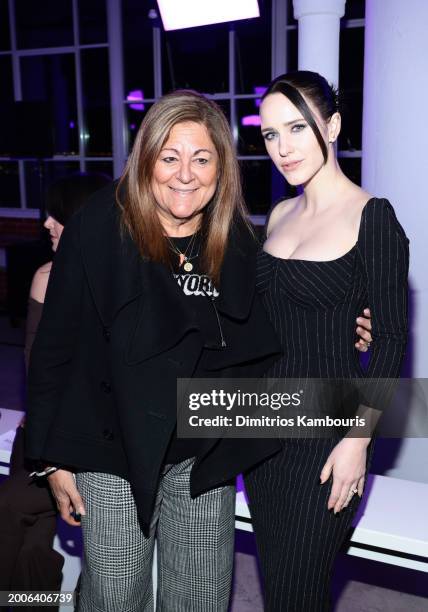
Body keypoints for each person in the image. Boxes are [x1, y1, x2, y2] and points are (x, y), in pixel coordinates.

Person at [24, 90, 372, 612]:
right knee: (117, 596)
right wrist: (53, 460)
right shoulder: (99, 225)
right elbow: (53, 347)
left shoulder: (232, 235)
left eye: (202, 158)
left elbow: (268, 321)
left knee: (202, 598)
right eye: (169, 157)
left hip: (202, 449)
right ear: (146, 161)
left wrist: (344, 325)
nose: (185, 174)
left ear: (221, 168)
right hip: (111, 442)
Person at [244, 71, 409, 611]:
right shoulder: (280, 215)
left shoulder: (373, 217)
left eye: (297, 128)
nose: (283, 148)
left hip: (329, 439)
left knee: (297, 590)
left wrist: (358, 442)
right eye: (270, 135)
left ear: (332, 125)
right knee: (281, 588)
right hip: (267, 428)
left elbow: (388, 342)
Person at [0, 173, 110, 610]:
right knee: (30, 544)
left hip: (90, 442)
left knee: (10, 509)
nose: (46, 223)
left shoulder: (121, 281)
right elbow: (34, 369)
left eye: (57, 215)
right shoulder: (45, 277)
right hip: (42, 434)